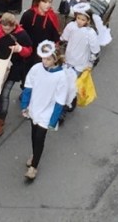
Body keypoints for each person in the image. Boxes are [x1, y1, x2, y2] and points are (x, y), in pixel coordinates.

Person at [20, 40, 69, 181]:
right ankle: (34, 154)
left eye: (48, 59)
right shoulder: (36, 68)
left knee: (40, 138)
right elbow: (28, 88)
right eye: (43, 58)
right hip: (34, 107)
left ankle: (33, 167)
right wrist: (25, 105)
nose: (44, 61)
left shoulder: (61, 77)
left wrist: (53, 120)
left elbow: (60, 101)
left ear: (55, 59)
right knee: (33, 135)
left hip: (47, 112)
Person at [60, 3, 100, 109]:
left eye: (83, 19)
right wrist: (62, 55)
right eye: (78, 18)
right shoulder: (71, 27)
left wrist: (90, 64)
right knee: (64, 83)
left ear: (88, 21)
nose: (79, 21)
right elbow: (64, 40)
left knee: (73, 85)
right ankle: (65, 103)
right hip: (68, 60)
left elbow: (95, 51)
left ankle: (70, 103)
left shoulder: (90, 33)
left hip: (80, 64)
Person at [19, 0, 61, 66]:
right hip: (30, 51)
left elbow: (55, 35)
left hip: (44, 52)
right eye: (45, 2)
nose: (48, 5)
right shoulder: (28, 15)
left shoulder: (52, 17)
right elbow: (21, 32)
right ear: (38, 2)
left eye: (50, 2)